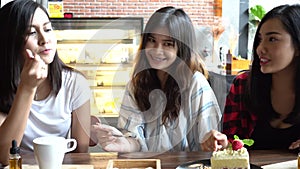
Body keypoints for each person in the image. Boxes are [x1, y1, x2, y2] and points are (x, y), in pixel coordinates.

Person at [93, 6, 222, 152]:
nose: (156, 50)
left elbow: (209, 141)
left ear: (182, 49)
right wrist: (122, 143)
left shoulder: (195, 83)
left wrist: (214, 141)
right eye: (152, 40)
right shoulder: (136, 85)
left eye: (167, 44)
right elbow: (134, 138)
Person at [0, 0, 91, 165]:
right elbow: (5, 156)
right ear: (10, 41)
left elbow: (80, 154)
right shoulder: (2, 85)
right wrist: (27, 88)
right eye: (32, 32)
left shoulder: (75, 83)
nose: (44, 39)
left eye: (48, 29)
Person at [201, 4, 300, 152]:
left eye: (272, 39)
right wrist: (222, 143)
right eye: (259, 39)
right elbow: (234, 143)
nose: (260, 48)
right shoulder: (243, 85)